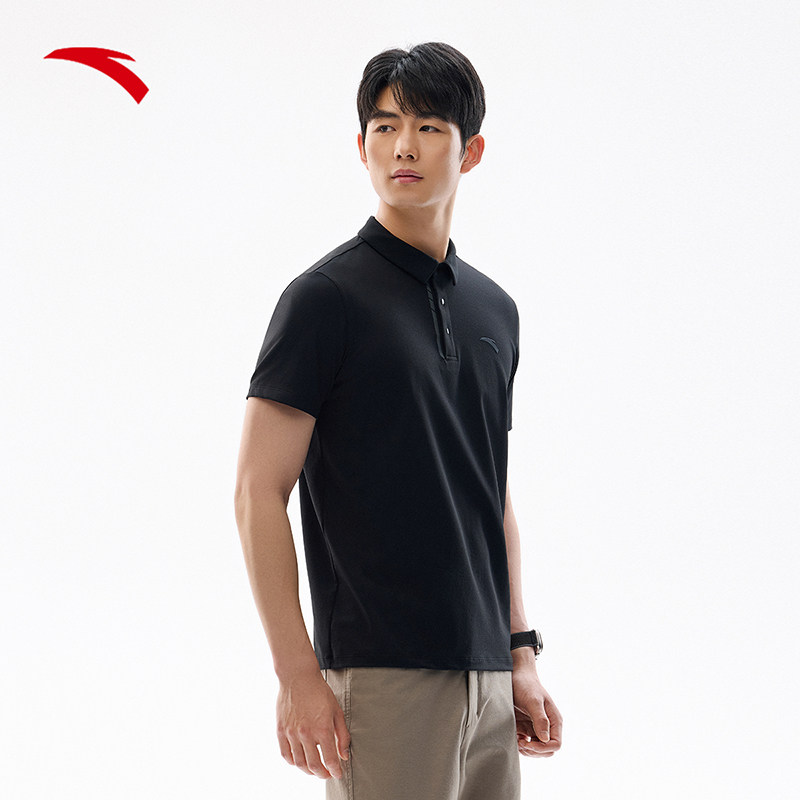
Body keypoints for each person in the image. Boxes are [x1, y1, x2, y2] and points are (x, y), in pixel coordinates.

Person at [234, 41, 562, 800]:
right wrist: (297, 674)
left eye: (428, 127)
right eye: (384, 127)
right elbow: (257, 491)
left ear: (471, 151)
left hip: (487, 676)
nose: (403, 147)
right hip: (380, 673)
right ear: (362, 147)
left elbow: (491, 492)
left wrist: (518, 654)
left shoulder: (495, 311)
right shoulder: (324, 300)